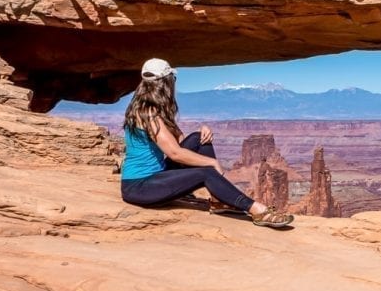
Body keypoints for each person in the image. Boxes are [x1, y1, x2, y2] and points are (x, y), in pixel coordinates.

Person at [120, 57, 293, 228]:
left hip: (155, 176)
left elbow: (179, 140)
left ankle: (219, 201)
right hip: (140, 187)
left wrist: (202, 129)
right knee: (206, 173)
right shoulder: (149, 113)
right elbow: (175, 153)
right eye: (172, 79)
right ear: (165, 82)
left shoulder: (150, 107)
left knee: (197, 138)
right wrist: (211, 163)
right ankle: (257, 210)